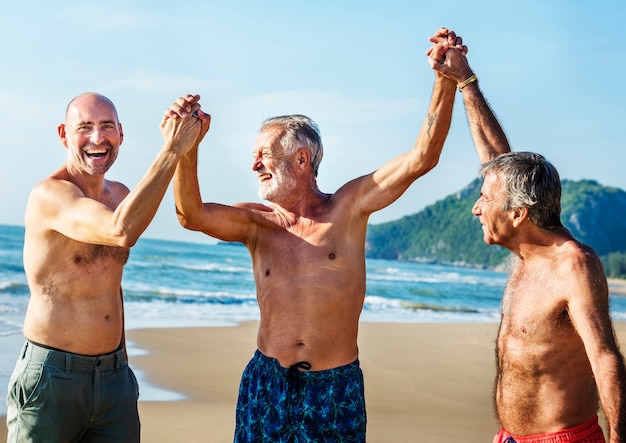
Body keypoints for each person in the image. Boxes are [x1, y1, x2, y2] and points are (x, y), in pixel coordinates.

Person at [168, 33, 460, 442]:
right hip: (267, 384)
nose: (254, 165)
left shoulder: (348, 208)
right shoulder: (258, 224)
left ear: (301, 159)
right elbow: (190, 215)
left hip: (334, 389)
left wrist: (444, 80)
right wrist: (187, 147)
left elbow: (422, 156)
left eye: (264, 154)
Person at [431, 28, 626, 442]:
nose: (476, 208)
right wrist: (465, 82)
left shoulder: (572, 264)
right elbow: (498, 161)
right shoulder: (526, 253)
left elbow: (606, 360)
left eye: (485, 199)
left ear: (518, 213)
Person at [6, 92, 203, 442]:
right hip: (52, 378)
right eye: (85, 128)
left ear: (121, 135)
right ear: (64, 135)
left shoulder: (121, 195)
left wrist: (188, 144)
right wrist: (171, 149)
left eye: (106, 127)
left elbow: (111, 283)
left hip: (114, 378)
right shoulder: (50, 195)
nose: (98, 138)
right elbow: (120, 232)